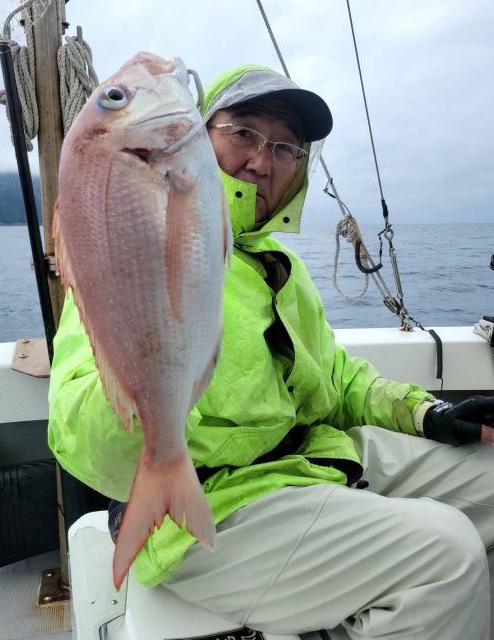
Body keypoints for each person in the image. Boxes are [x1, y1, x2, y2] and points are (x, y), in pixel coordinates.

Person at [48, 64, 494, 640]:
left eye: (286, 147)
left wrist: (428, 413)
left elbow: (338, 380)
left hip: (309, 459)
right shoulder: (132, 257)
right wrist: (145, 384)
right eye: (244, 133)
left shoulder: (282, 268)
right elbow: (79, 439)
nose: (263, 160)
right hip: (214, 501)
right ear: (200, 134)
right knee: (447, 553)